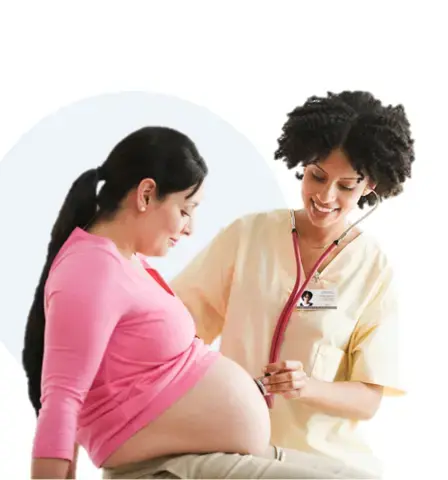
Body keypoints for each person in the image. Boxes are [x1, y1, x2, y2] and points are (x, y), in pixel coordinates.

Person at [21, 126, 368, 479]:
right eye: (186, 210)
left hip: (197, 452)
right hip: (162, 466)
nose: (190, 228)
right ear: (145, 194)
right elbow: (62, 399)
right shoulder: (90, 269)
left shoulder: (126, 261)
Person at [170, 90, 415, 478]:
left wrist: (306, 387)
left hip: (325, 462)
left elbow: (368, 399)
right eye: (317, 176)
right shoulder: (248, 235)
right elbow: (175, 327)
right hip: (237, 450)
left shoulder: (373, 269)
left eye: (346, 186)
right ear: (304, 164)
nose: (325, 196)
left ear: (369, 186)